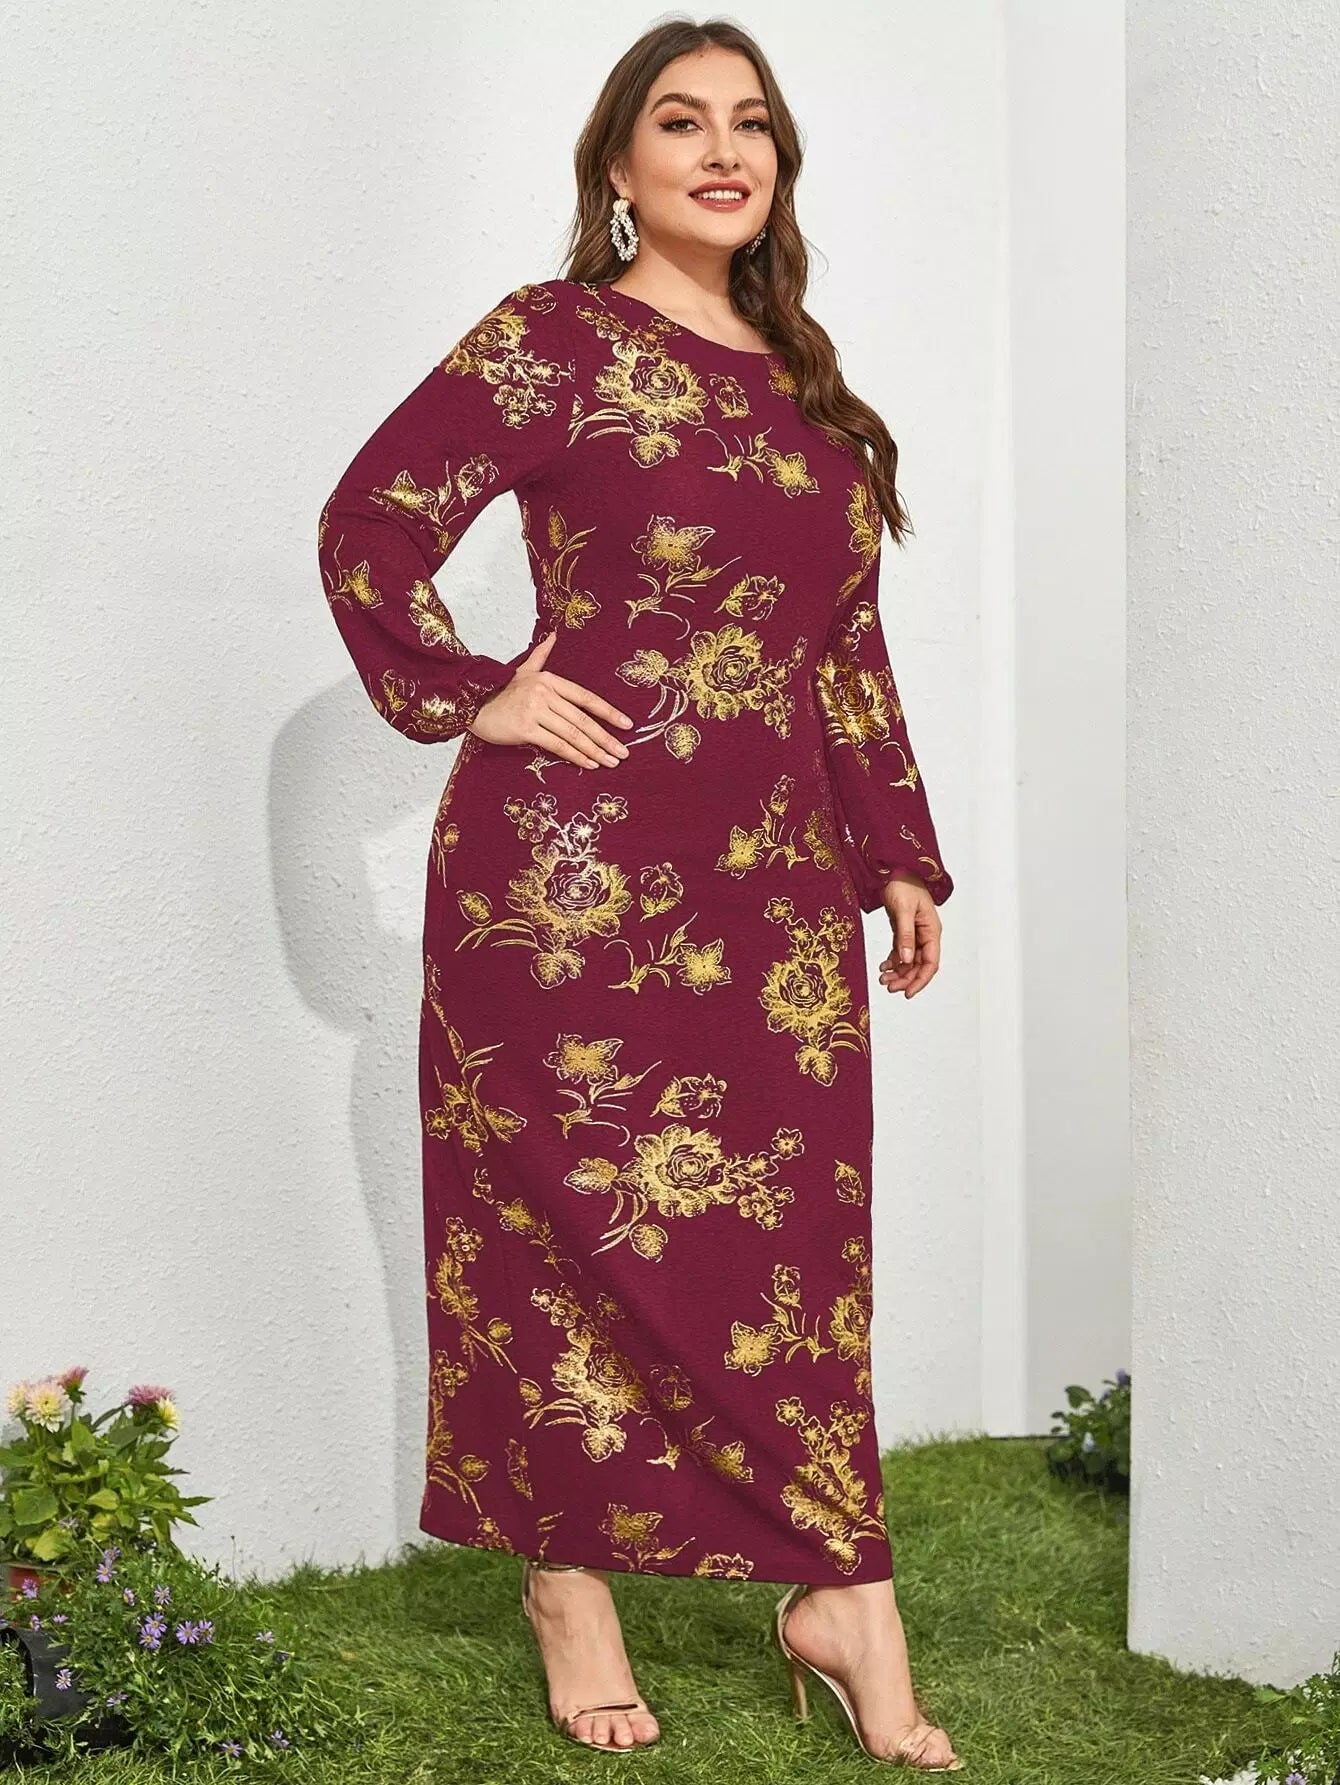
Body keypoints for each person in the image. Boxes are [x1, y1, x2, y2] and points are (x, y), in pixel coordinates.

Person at [316, 16, 960, 1771]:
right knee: (556, 1225)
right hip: (568, 880)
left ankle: (840, 1591)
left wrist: (898, 849)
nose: (723, 150)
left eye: (752, 122)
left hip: (774, 897)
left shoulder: (809, 384)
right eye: (681, 122)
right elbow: (372, 521)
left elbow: (840, 646)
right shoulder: (551, 340)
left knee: (798, 1245)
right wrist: (475, 691)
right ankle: (569, 1583)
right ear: (620, 165)